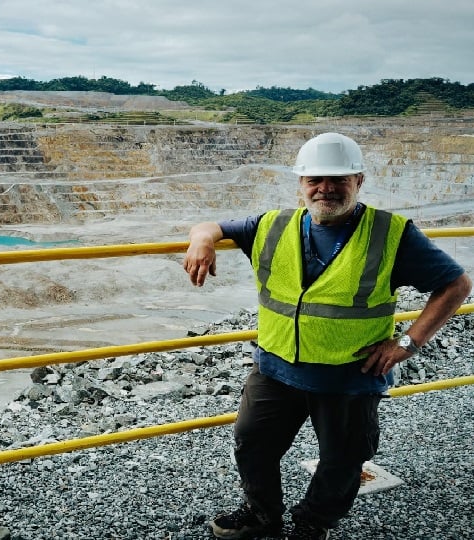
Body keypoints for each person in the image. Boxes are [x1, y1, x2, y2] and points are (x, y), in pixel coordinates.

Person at [182, 132, 472, 540]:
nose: (326, 189)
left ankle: (313, 523)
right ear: (300, 184)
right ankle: (262, 515)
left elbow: (456, 285)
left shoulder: (391, 234)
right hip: (276, 369)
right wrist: (201, 240)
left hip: (348, 376)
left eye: (339, 179)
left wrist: (407, 343)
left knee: (342, 458)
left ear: (359, 181)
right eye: (315, 179)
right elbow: (210, 225)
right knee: (252, 444)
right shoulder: (272, 225)